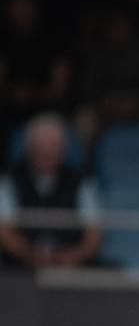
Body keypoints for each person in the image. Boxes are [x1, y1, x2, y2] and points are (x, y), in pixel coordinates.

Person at [0, 113, 102, 271]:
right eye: (41, 146)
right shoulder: (10, 180)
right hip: (21, 269)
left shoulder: (81, 182)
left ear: (64, 150)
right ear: (29, 148)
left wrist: (74, 256)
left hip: (72, 270)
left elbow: (94, 234)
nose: (47, 152)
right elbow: (3, 230)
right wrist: (30, 254)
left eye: (54, 146)